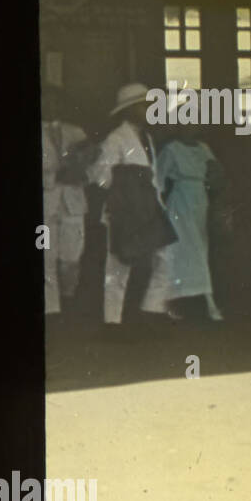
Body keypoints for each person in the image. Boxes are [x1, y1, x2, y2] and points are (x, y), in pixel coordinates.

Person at [86, 82, 176, 332]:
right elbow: (99, 176)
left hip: (150, 206)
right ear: (129, 110)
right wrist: (124, 185)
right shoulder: (116, 138)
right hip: (124, 208)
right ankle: (112, 322)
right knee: (118, 266)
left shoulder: (146, 138)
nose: (149, 110)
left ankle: (152, 309)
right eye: (143, 106)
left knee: (166, 256)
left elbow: (154, 178)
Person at [157, 116, 228, 322]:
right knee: (180, 249)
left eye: (194, 123)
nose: (190, 127)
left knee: (200, 249)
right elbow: (158, 179)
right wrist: (160, 208)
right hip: (180, 202)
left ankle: (203, 300)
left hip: (200, 202)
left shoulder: (204, 148)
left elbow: (216, 173)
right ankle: (168, 301)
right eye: (186, 123)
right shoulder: (172, 149)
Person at [41, 82, 88, 317]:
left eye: (55, 100)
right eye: (45, 100)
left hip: (72, 204)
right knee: (46, 256)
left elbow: (89, 169)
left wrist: (80, 170)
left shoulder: (76, 133)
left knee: (71, 258)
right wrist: (53, 176)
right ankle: (52, 309)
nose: (51, 105)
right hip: (46, 204)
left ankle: (67, 296)